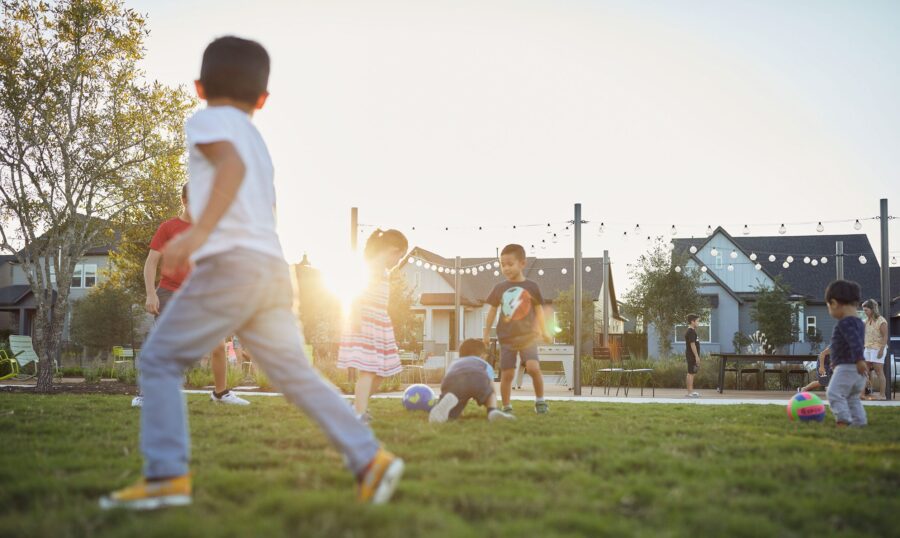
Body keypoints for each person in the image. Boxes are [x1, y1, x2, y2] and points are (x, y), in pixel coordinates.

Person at [100, 36, 403, 510]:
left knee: (158, 361)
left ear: (200, 88)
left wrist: (197, 236)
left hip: (231, 267)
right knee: (295, 374)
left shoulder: (208, 120)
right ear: (262, 99)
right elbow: (265, 208)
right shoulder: (259, 143)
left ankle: (166, 476)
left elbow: (230, 167)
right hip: (270, 270)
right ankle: (370, 459)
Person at [133, 183, 249, 408]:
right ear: (184, 201)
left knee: (218, 346)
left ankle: (220, 393)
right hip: (170, 293)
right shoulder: (168, 228)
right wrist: (150, 293)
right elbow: (151, 262)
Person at [337, 229, 407, 423]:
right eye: (400, 257)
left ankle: (357, 405)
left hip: (379, 322)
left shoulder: (383, 271)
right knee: (368, 371)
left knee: (382, 372)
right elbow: (356, 291)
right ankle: (359, 414)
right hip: (365, 321)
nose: (398, 262)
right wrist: (356, 316)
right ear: (393, 250)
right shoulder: (372, 267)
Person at [483, 244, 551, 415]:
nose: (506, 268)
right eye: (502, 264)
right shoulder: (499, 288)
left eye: (510, 264)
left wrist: (544, 331)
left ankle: (540, 401)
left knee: (533, 368)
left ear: (522, 263)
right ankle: (506, 406)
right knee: (507, 374)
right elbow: (491, 312)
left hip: (528, 337)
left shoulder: (532, 286)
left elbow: (539, 311)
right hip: (507, 338)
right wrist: (486, 333)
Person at [429, 339, 515, 423]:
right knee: (490, 394)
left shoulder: (455, 362)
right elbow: (490, 383)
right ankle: (492, 411)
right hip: (477, 377)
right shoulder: (483, 364)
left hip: (454, 380)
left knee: (453, 399)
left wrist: (445, 391)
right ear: (482, 356)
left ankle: (448, 411)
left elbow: (447, 378)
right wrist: (491, 394)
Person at [823, 280, 868, 427]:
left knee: (833, 393)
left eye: (828, 306)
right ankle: (859, 422)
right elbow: (852, 344)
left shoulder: (845, 323)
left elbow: (854, 342)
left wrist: (859, 359)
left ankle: (843, 420)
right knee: (852, 398)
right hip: (856, 370)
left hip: (848, 367)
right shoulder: (860, 323)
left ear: (834, 303)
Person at [862, 299, 888, 400]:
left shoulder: (881, 321)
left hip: (877, 348)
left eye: (866, 310)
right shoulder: (866, 321)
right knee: (864, 371)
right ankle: (863, 394)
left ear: (872, 309)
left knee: (879, 371)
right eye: (864, 310)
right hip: (868, 348)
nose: (864, 312)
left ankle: (882, 395)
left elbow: (885, 336)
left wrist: (881, 350)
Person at [684, 314, 702, 398]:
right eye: (697, 321)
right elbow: (692, 344)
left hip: (692, 355)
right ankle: (689, 393)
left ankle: (691, 391)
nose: (698, 323)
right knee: (690, 373)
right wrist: (696, 356)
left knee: (692, 373)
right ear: (692, 321)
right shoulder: (690, 331)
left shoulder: (692, 331)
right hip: (691, 355)